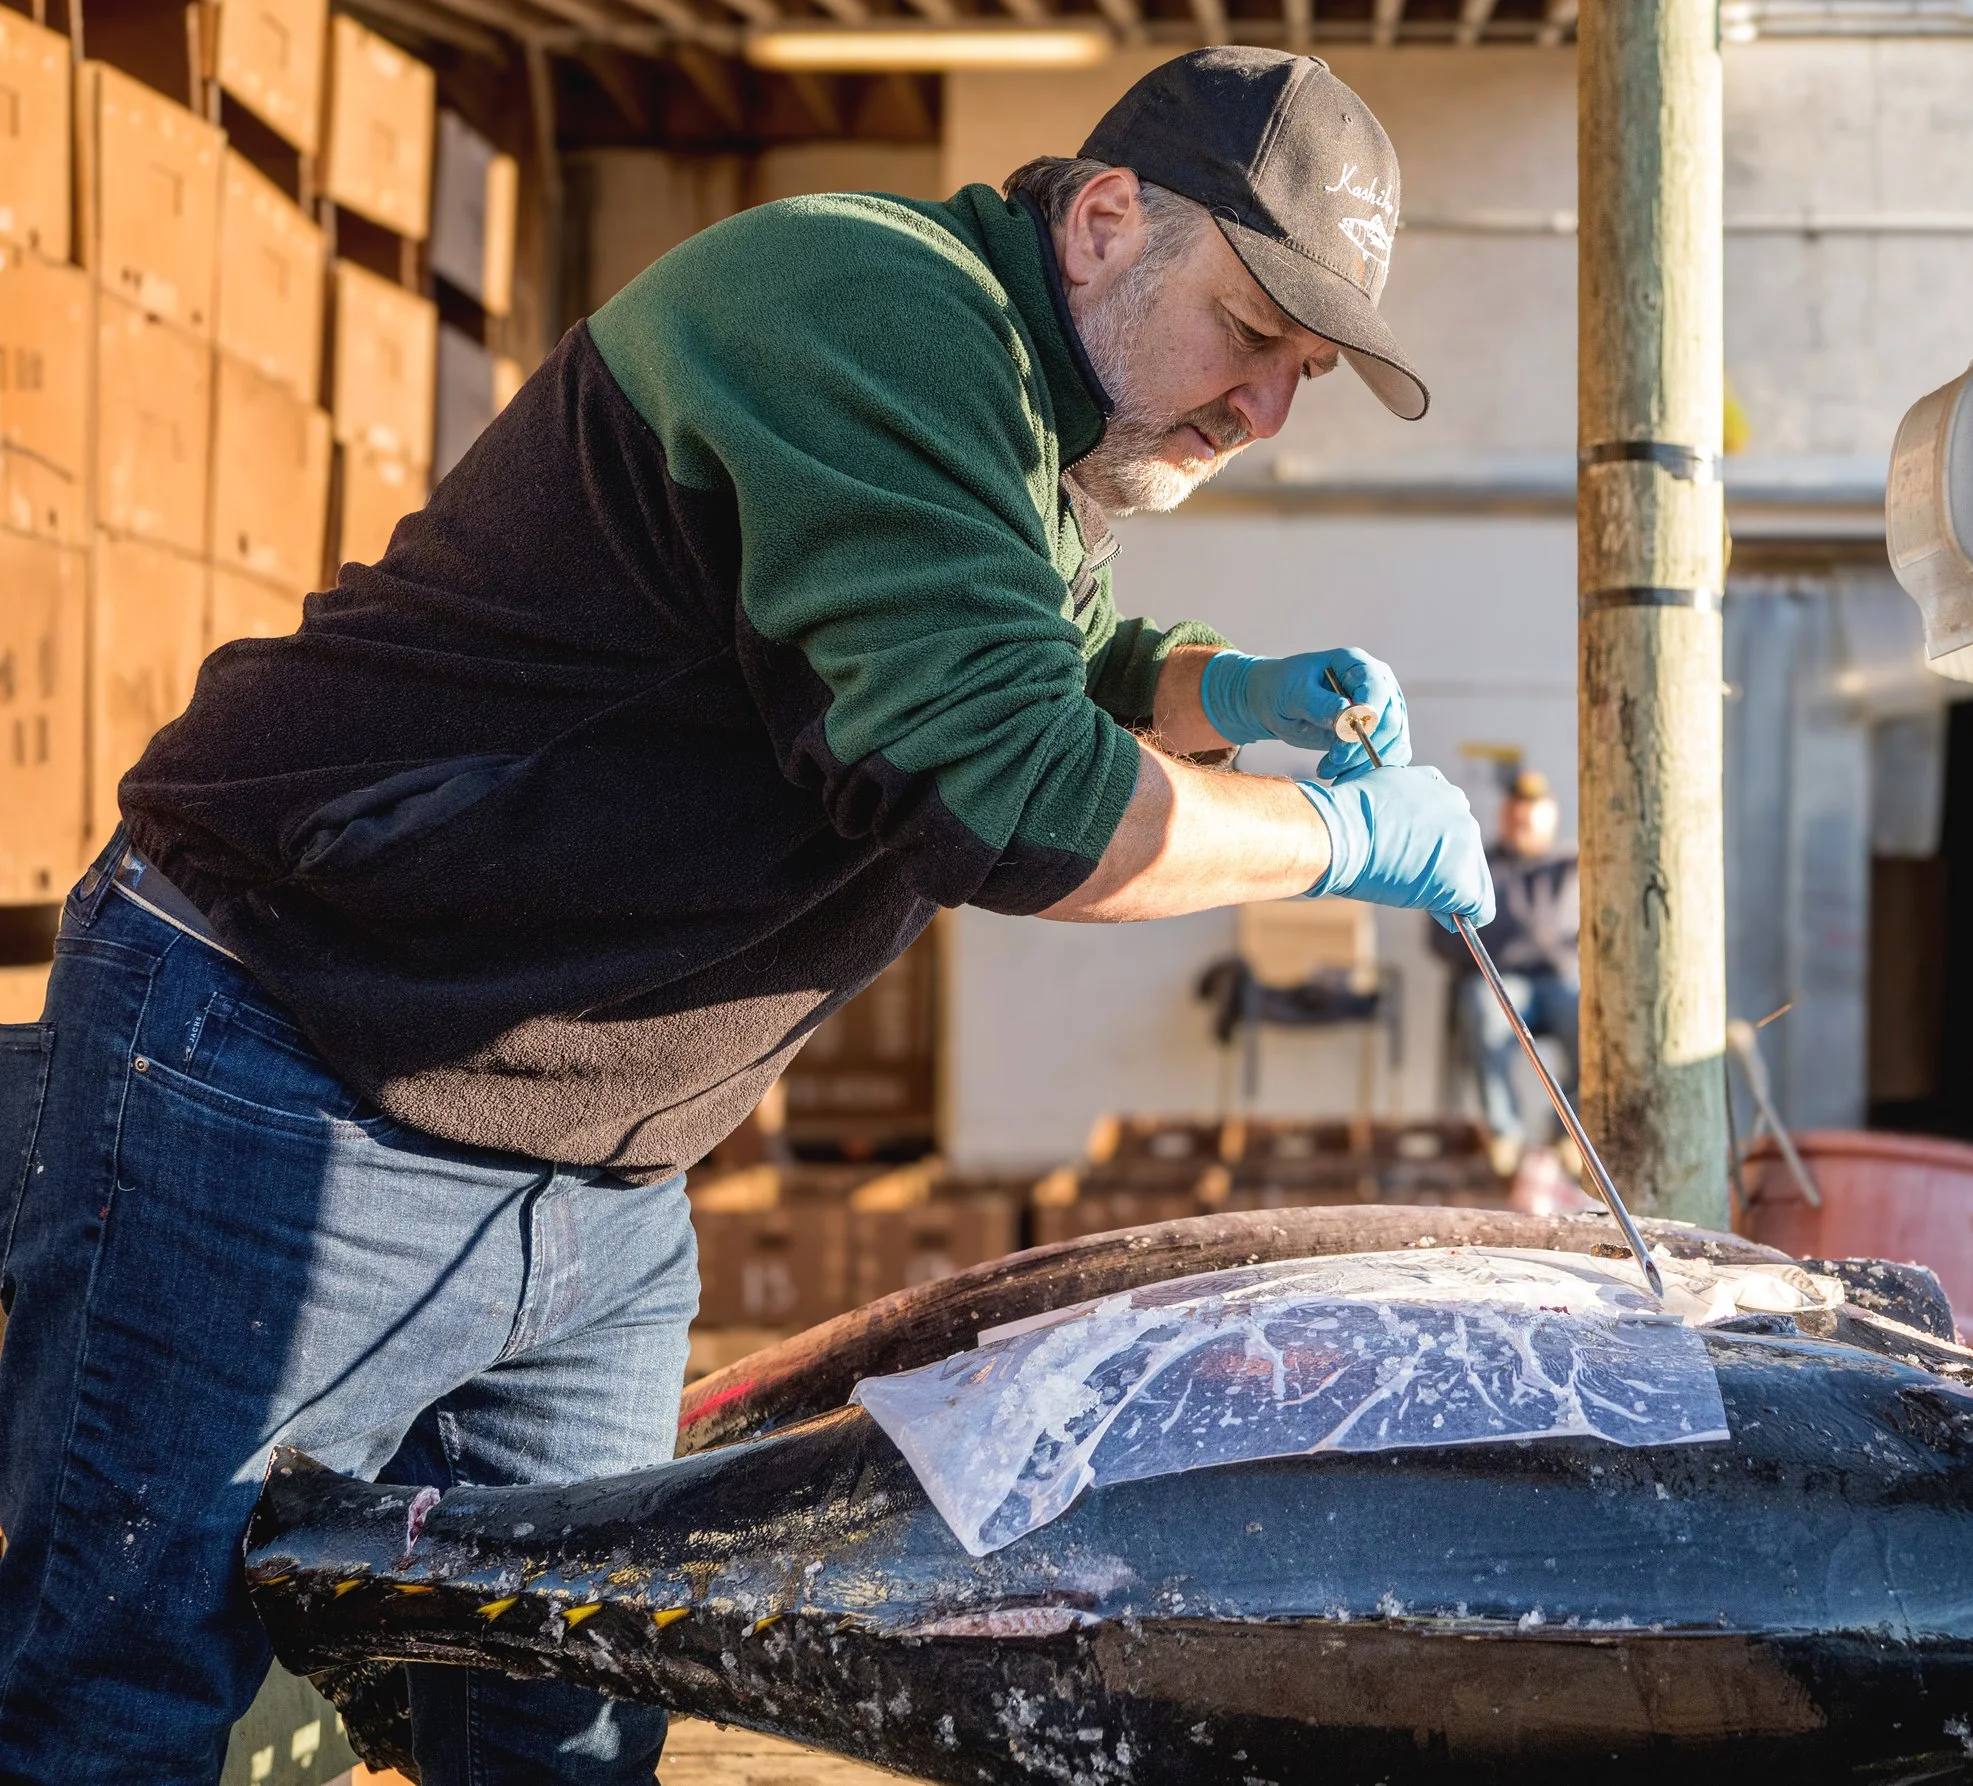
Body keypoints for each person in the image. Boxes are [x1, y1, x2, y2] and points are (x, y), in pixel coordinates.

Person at [0, 50, 1492, 1785]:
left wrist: (1217, 687)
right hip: (292, 1056)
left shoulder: (1029, 416)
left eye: (1303, 370)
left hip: (596, 1173)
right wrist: (1340, 839)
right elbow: (1009, 790)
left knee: (562, 1735)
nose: (1263, 413)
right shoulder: (875, 307)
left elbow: (1036, 655)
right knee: (122, 1701)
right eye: (1251, 334)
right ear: (1104, 222)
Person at [1434, 769, 1579, 1167]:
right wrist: (1532, 944)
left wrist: (1518, 941)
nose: (1523, 825)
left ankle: (1568, 1133)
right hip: (1500, 984)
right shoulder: (1476, 865)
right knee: (1484, 1007)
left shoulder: (1572, 867)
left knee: (1591, 1017)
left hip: (1559, 983)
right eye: (1517, 816)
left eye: (1532, 817)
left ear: (1552, 818)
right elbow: (1443, 936)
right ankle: (1505, 1134)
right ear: (1503, 817)